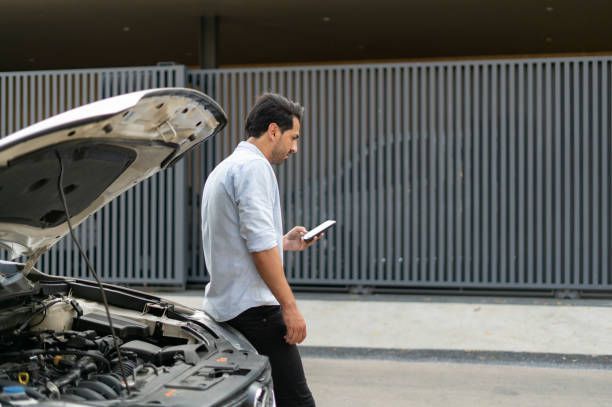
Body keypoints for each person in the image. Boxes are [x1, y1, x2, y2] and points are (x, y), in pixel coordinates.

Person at [201, 93, 319, 407]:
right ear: (273, 130)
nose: (295, 147)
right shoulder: (254, 169)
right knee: (297, 400)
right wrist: (289, 307)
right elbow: (258, 246)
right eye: (294, 137)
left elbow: (238, 239)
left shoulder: (225, 169)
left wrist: (284, 242)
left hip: (227, 308)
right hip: (256, 312)